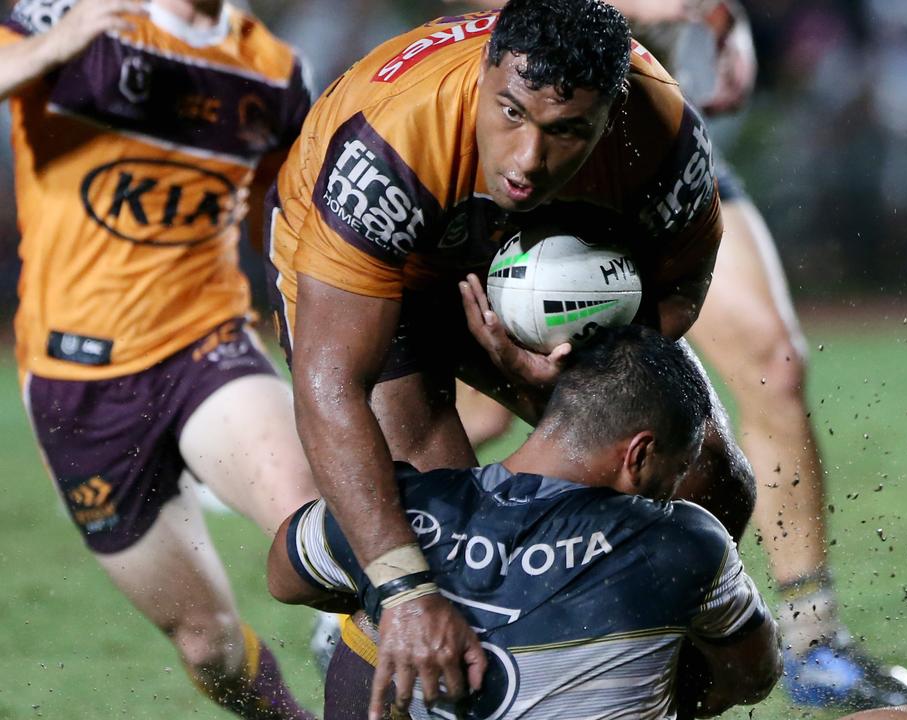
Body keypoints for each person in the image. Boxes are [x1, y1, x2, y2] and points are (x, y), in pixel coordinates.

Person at [265, 0, 763, 713]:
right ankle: (378, 612)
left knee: (711, 475)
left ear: (612, 113)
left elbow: (674, 299)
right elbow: (330, 379)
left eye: (566, 132)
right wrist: (405, 586)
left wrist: (564, 381)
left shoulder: (664, 138)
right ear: (485, 73)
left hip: (534, 279)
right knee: (447, 546)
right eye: (511, 113)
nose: (528, 159)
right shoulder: (391, 143)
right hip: (388, 285)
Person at [447, 0, 907, 708]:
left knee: (776, 362)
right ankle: (381, 598)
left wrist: (730, 33)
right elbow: (496, 14)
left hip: (656, 133)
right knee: (495, 401)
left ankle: (813, 643)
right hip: (547, 143)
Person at [0, 1, 317, 717]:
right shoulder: (59, 16)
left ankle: (366, 650)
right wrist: (56, 45)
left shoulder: (273, 69)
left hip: (206, 344)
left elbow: (294, 199)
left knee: (318, 534)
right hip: (76, 380)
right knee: (208, 644)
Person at [268, 326, 781, 719]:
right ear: (640, 454)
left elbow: (283, 578)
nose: (671, 492)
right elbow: (752, 676)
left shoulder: (396, 510)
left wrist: (401, 590)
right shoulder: (682, 542)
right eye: (676, 470)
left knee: (368, 625)